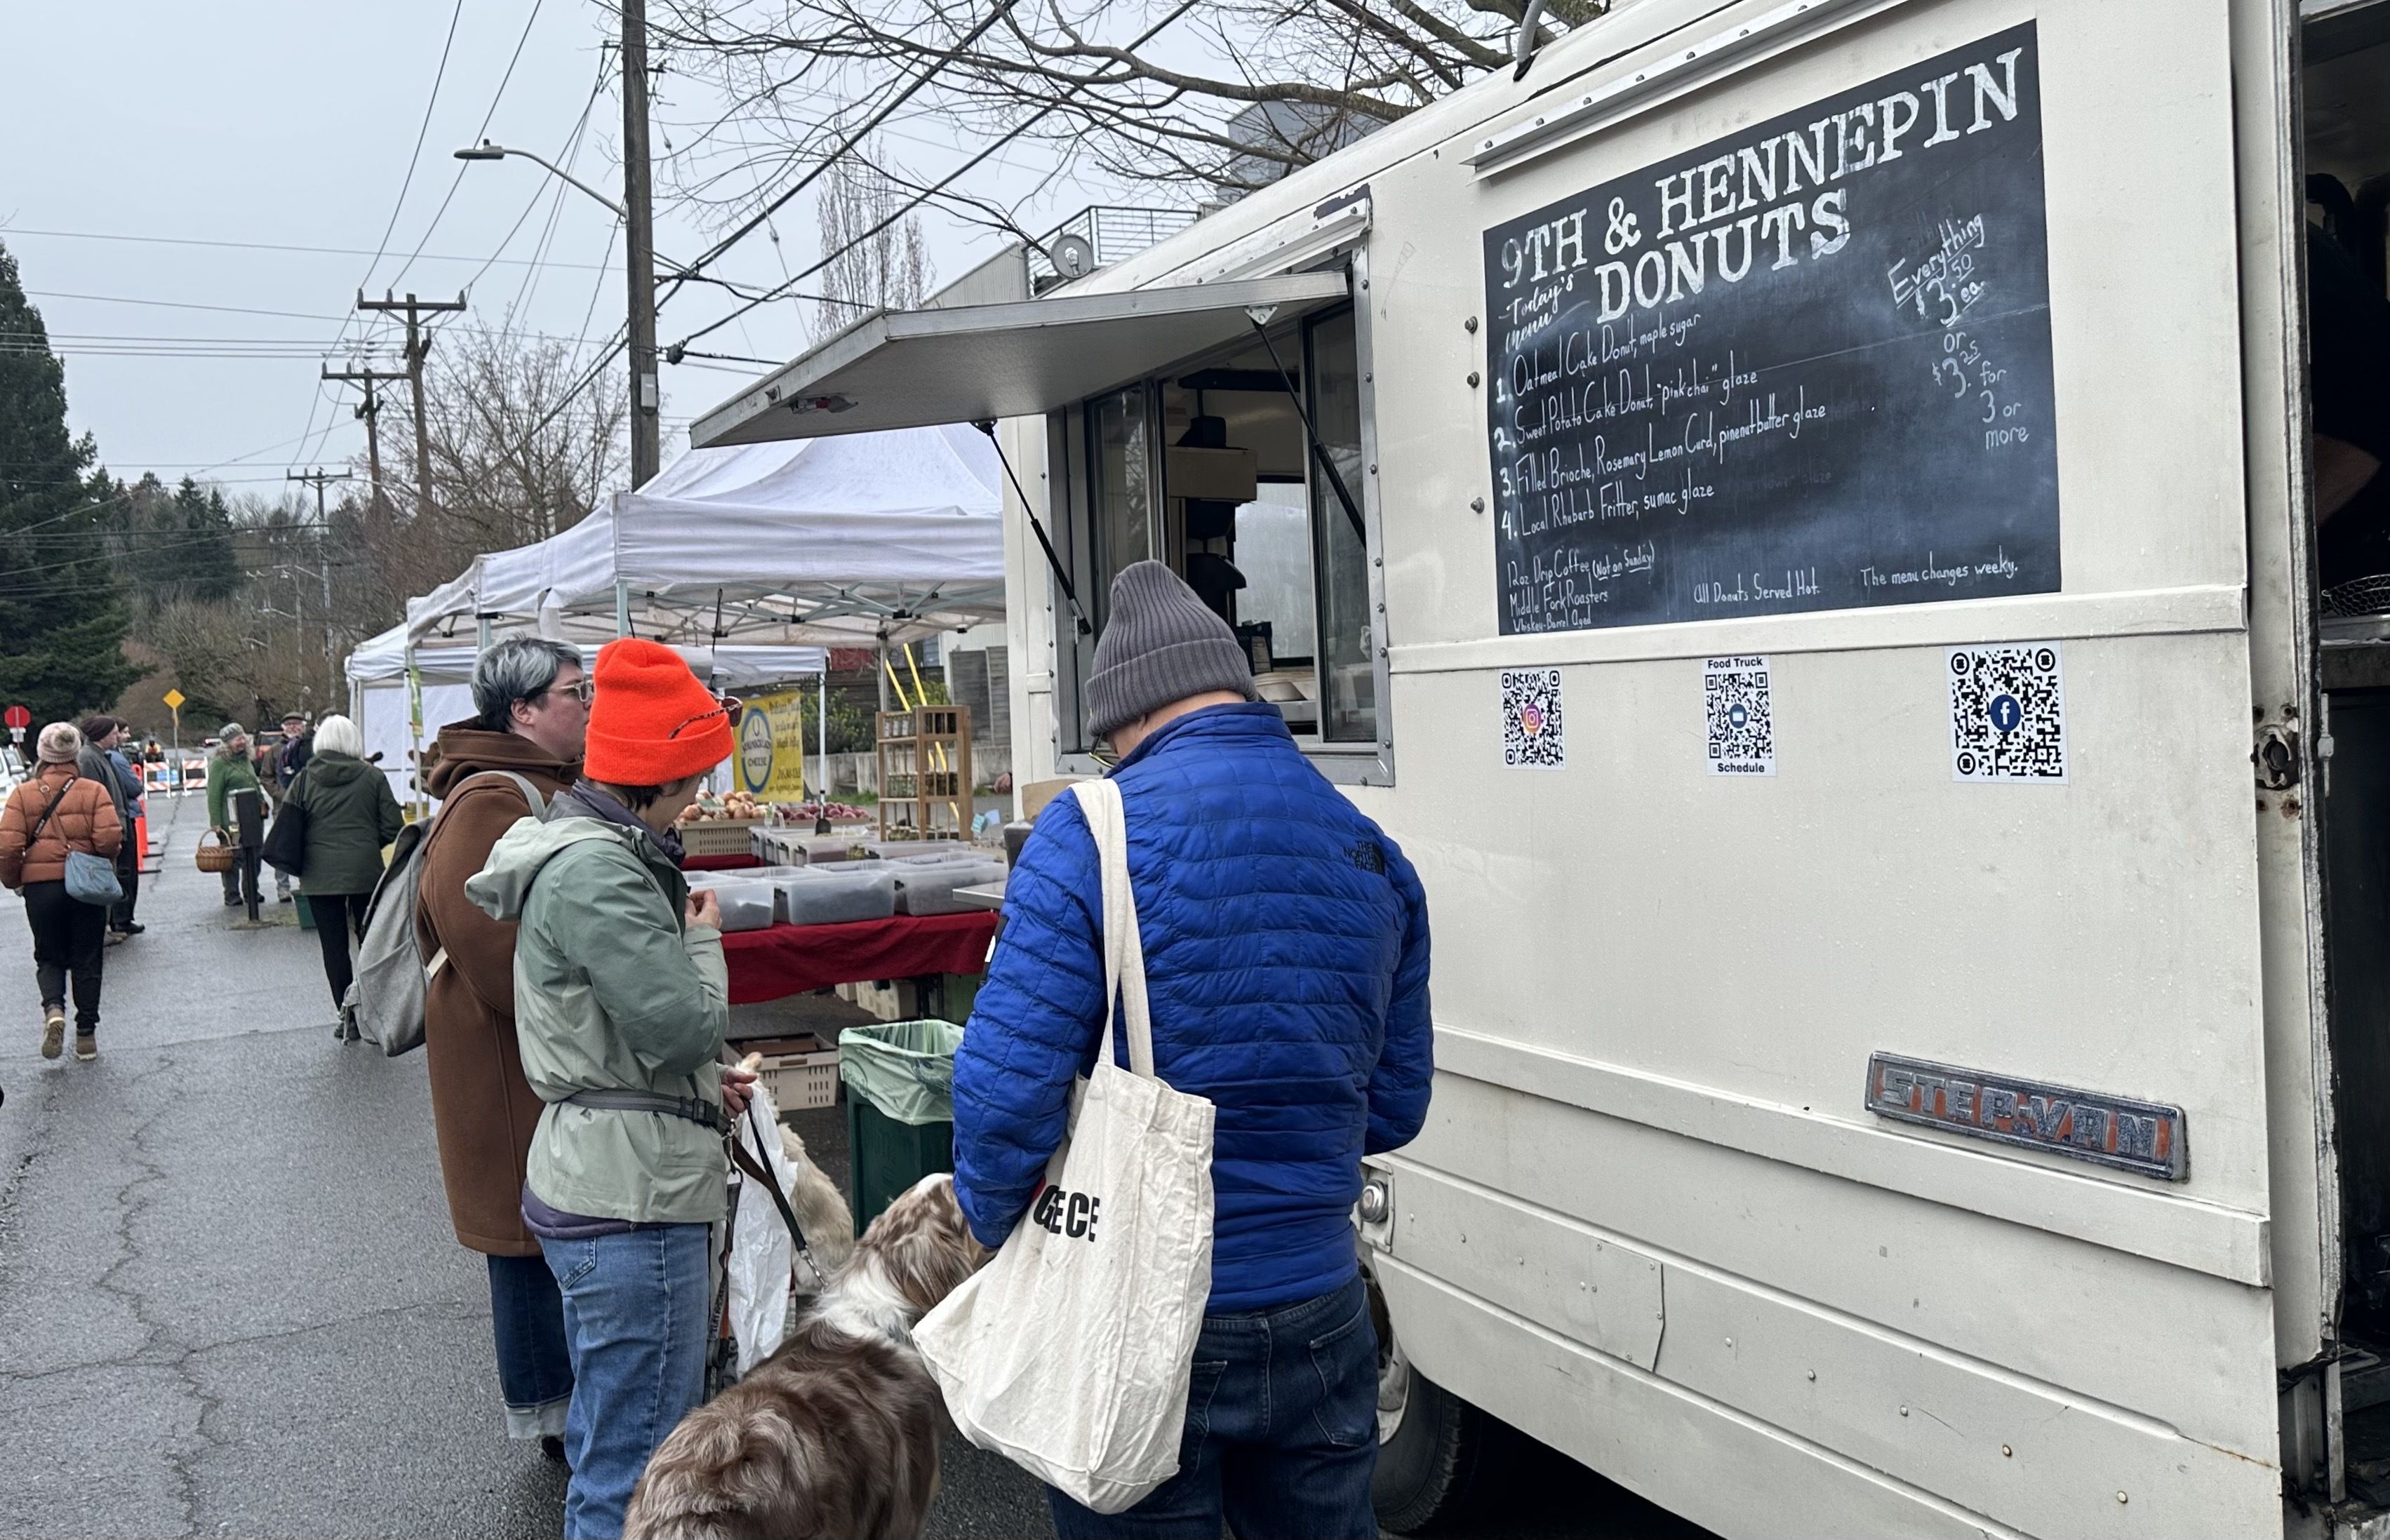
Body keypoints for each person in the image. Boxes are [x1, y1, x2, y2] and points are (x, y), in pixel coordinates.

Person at [952, 561, 1435, 1540]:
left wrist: (996, 1222)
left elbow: (1005, 1093)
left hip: (1143, 1314)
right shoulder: (1369, 846)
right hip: (1320, 1303)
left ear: (1121, 716)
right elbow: (1394, 1104)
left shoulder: (1089, 831)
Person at [463, 637, 754, 1540]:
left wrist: (702, 1090)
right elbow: (680, 1028)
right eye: (695, 773)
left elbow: (632, 1036)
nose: (701, 793)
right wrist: (704, 942)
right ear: (660, 772)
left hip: (610, 1170)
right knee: (638, 1468)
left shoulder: (589, 849)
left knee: (612, 1440)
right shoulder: (600, 869)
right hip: (632, 1199)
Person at [415, 638, 589, 1458]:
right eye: (571, 691)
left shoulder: (531, 788)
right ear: (521, 711)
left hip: (520, 1056)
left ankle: (566, 1402)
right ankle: (552, 1413)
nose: (585, 703)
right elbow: (500, 954)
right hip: (503, 1060)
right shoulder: (490, 801)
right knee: (522, 1236)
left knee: (543, 1226)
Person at [0, 723, 124, 1061]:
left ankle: (54, 1009)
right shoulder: (94, 791)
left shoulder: (23, 794)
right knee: (87, 958)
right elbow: (110, 839)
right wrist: (99, 862)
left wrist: (15, 880)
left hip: (42, 889)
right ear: (73, 754)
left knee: (49, 955)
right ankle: (86, 1035)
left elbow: (9, 847)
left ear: (42, 755)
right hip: (85, 889)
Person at [282, 714, 403, 1029]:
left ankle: (347, 1016)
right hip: (365, 871)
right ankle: (376, 1012)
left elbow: (291, 825)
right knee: (371, 943)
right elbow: (394, 826)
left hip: (319, 876)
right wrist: (366, 844)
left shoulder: (304, 780)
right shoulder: (372, 777)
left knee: (333, 948)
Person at [76, 717, 146, 942]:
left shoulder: (102, 757)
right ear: (102, 735)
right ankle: (106, 927)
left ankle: (112, 924)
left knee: (118, 876)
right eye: (115, 733)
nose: (119, 736)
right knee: (107, 879)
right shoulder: (89, 759)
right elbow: (93, 800)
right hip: (108, 829)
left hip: (117, 825)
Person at [206, 724, 268, 920]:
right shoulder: (219, 764)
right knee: (233, 858)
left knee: (255, 854)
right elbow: (214, 794)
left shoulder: (246, 760)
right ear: (227, 743)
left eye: (242, 738)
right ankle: (232, 894)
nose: (241, 742)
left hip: (252, 816)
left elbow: (254, 784)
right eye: (236, 739)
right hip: (231, 817)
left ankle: (251, 890)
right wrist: (216, 822)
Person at [270, 711, 314, 903]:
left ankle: (306, 885)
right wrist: (282, 794)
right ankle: (283, 888)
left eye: (297, 724)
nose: (293, 727)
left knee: (308, 846)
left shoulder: (310, 746)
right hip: (283, 806)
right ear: (283, 728)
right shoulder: (274, 751)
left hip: (308, 806)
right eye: (289, 724)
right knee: (283, 847)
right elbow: (266, 777)